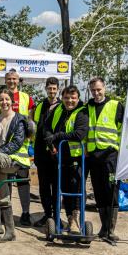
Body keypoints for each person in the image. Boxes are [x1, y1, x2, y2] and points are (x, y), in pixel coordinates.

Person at [0, 89, 31, 242]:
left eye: (7, 99)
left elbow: (16, 143)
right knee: (3, 195)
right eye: (1, 100)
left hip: (14, 159)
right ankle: (10, 232)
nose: (4, 102)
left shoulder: (19, 120)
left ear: (12, 101)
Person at [43, 85, 89, 234]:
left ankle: (76, 219)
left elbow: (79, 134)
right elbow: (47, 128)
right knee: (63, 189)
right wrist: (50, 142)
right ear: (62, 98)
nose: (69, 100)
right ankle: (69, 218)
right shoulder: (58, 110)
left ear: (78, 98)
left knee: (76, 189)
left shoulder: (82, 112)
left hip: (77, 159)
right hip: (60, 158)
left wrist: (57, 136)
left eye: (73, 98)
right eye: (66, 98)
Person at [86, 77, 124, 241]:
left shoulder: (116, 106)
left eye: (98, 89)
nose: (96, 93)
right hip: (94, 157)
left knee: (111, 191)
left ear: (104, 88)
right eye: (93, 90)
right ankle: (103, 228)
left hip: (110, 157)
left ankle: (111, 229)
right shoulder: (87, 107)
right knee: (99, 192)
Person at [32, 77, 61, 227]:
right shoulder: (40, 106)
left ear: (58, 89)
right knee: (43, 187)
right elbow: (37, 128)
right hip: (41, 154)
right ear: (46, 89)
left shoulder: (62, 106)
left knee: (56, 187)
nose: (52, 91)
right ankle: (47, 215)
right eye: (49, 88)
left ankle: (57, 217)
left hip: (56, 154)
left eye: (54, 88)